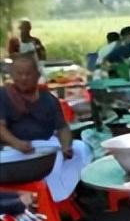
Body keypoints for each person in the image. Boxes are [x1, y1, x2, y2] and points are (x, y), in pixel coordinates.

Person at [0, 52, 93, 202]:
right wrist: (17, 143)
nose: (23, 78)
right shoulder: (4, 95)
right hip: (14, 152)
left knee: (82, 149)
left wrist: (66, 146)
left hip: (47, 148)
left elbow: (62, 128)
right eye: (19, 74)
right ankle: (51, 194)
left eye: (28, 74)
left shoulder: (48, 99)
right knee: (50, 155)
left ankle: (57, 192)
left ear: (37, 75)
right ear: (12, 75)